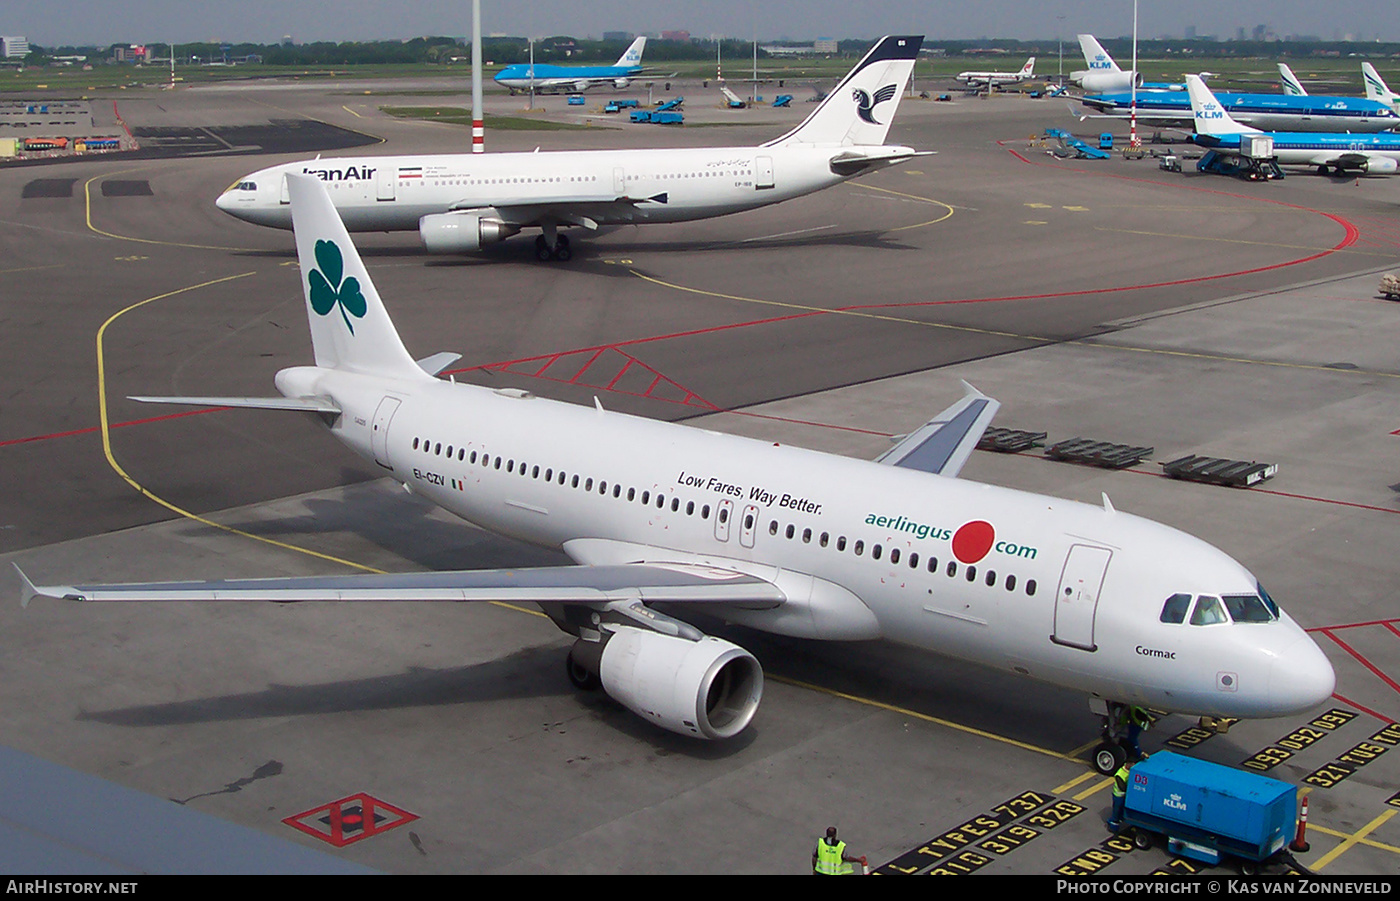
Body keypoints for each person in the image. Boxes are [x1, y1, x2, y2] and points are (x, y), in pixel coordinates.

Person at [1108, 760, 1131, 832]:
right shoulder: (1120, 774)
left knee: (1121, 810)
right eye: (1132, 764)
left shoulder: (1129, 771)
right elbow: (1122, 787)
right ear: (1128, 764)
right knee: (1116, 811)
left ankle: (1118, 819)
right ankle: (1113, 826)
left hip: (1124, 795)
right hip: (1118, 796)